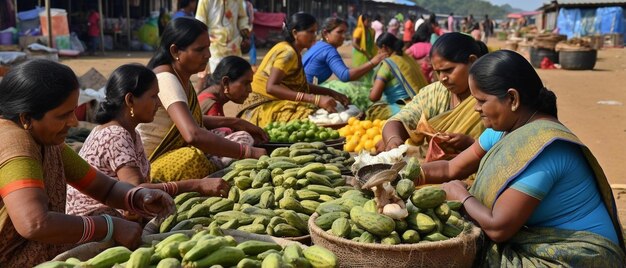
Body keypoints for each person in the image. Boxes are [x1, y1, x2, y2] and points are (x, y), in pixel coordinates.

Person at [414, 50, 625, 266]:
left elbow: (498, 228)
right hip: (537, 239)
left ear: (513, 99)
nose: (476, 108)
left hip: (578, 254)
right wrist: (407, 175)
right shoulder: (503, 129)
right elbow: (451, 168)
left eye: (481, 101)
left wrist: (462, 196)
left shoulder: (544, 147)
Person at [0, 59, 175, 266]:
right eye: (63, 115)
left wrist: (136, 197)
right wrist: (108, 226)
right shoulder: (15, 145)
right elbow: (35, 223)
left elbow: (105, 189)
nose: (74, 122)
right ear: (27, 118)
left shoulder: (48, 143)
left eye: (73, 111)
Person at [66, 64, 229, 220]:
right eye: (153, 96)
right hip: (98, 218)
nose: (158, 103)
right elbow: (136, 190)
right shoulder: (116, 134)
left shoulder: (132, 133)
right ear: (130, 100)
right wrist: (197, 185)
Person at [140, 17, 268, 183]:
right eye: (200, 50)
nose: (208, 55)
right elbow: (192, 134)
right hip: (155, 162)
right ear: (175, 51)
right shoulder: (166, 79)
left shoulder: (180, 77)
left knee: (240, 136)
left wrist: (237, 123)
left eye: (208, 48)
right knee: (194, 157)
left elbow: (192, 120)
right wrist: (246, 152)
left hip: (174, 150)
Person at [380, 33, 488, 158]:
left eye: (449, 70)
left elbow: (502, 146)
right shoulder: (435, 93)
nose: (443, 78)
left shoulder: (491, 97)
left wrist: (472, 145)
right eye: (437, 72)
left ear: (472, 62)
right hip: (432, 168)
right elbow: (400, 119)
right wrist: (393, 139)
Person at [237, 13, 350, 128]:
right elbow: (271, 87)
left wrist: (330, 93)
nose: (314, 36)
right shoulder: (288, 52)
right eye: (310, 32)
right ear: (295, 33)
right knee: (310, 117)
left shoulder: (293, 51)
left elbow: (300, 86)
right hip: (260, 109)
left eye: (315, 32)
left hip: (271, 103)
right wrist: (316, 99)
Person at [303, 17, 387, 85]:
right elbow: (345, 75)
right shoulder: (329, 50)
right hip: (304, 91)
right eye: (339, 32)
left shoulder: (318, 44)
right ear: (325, 33)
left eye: (345, 32)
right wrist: (373, 62)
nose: (343, 36)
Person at [366, 33, 428, 120]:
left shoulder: (388, 64)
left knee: (373, 112)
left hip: (405, 109)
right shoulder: (407, 58)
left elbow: (374, 97)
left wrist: (372, 91)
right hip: (423, 104)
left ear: (384, 47)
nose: (378, 53)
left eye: (378, 49)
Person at [195, 0, 251, 90]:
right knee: (215, 79)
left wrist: (244, 30)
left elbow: (242, 17)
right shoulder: (205, 1)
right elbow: (200, 22)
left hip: (234, 44)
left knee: (234, 76)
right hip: (213, 45)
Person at [352, 14, 378, 86]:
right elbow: (354, 43)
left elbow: (372, 43)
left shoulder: (371, 31)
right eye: (368, 21)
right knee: (360, 72)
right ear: (362, 21)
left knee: (369, 72)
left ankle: (367, 87)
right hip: (360, 55)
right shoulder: (359, 30)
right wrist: (363, 51)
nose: (369, 22)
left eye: (370, 21)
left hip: (369, 55)